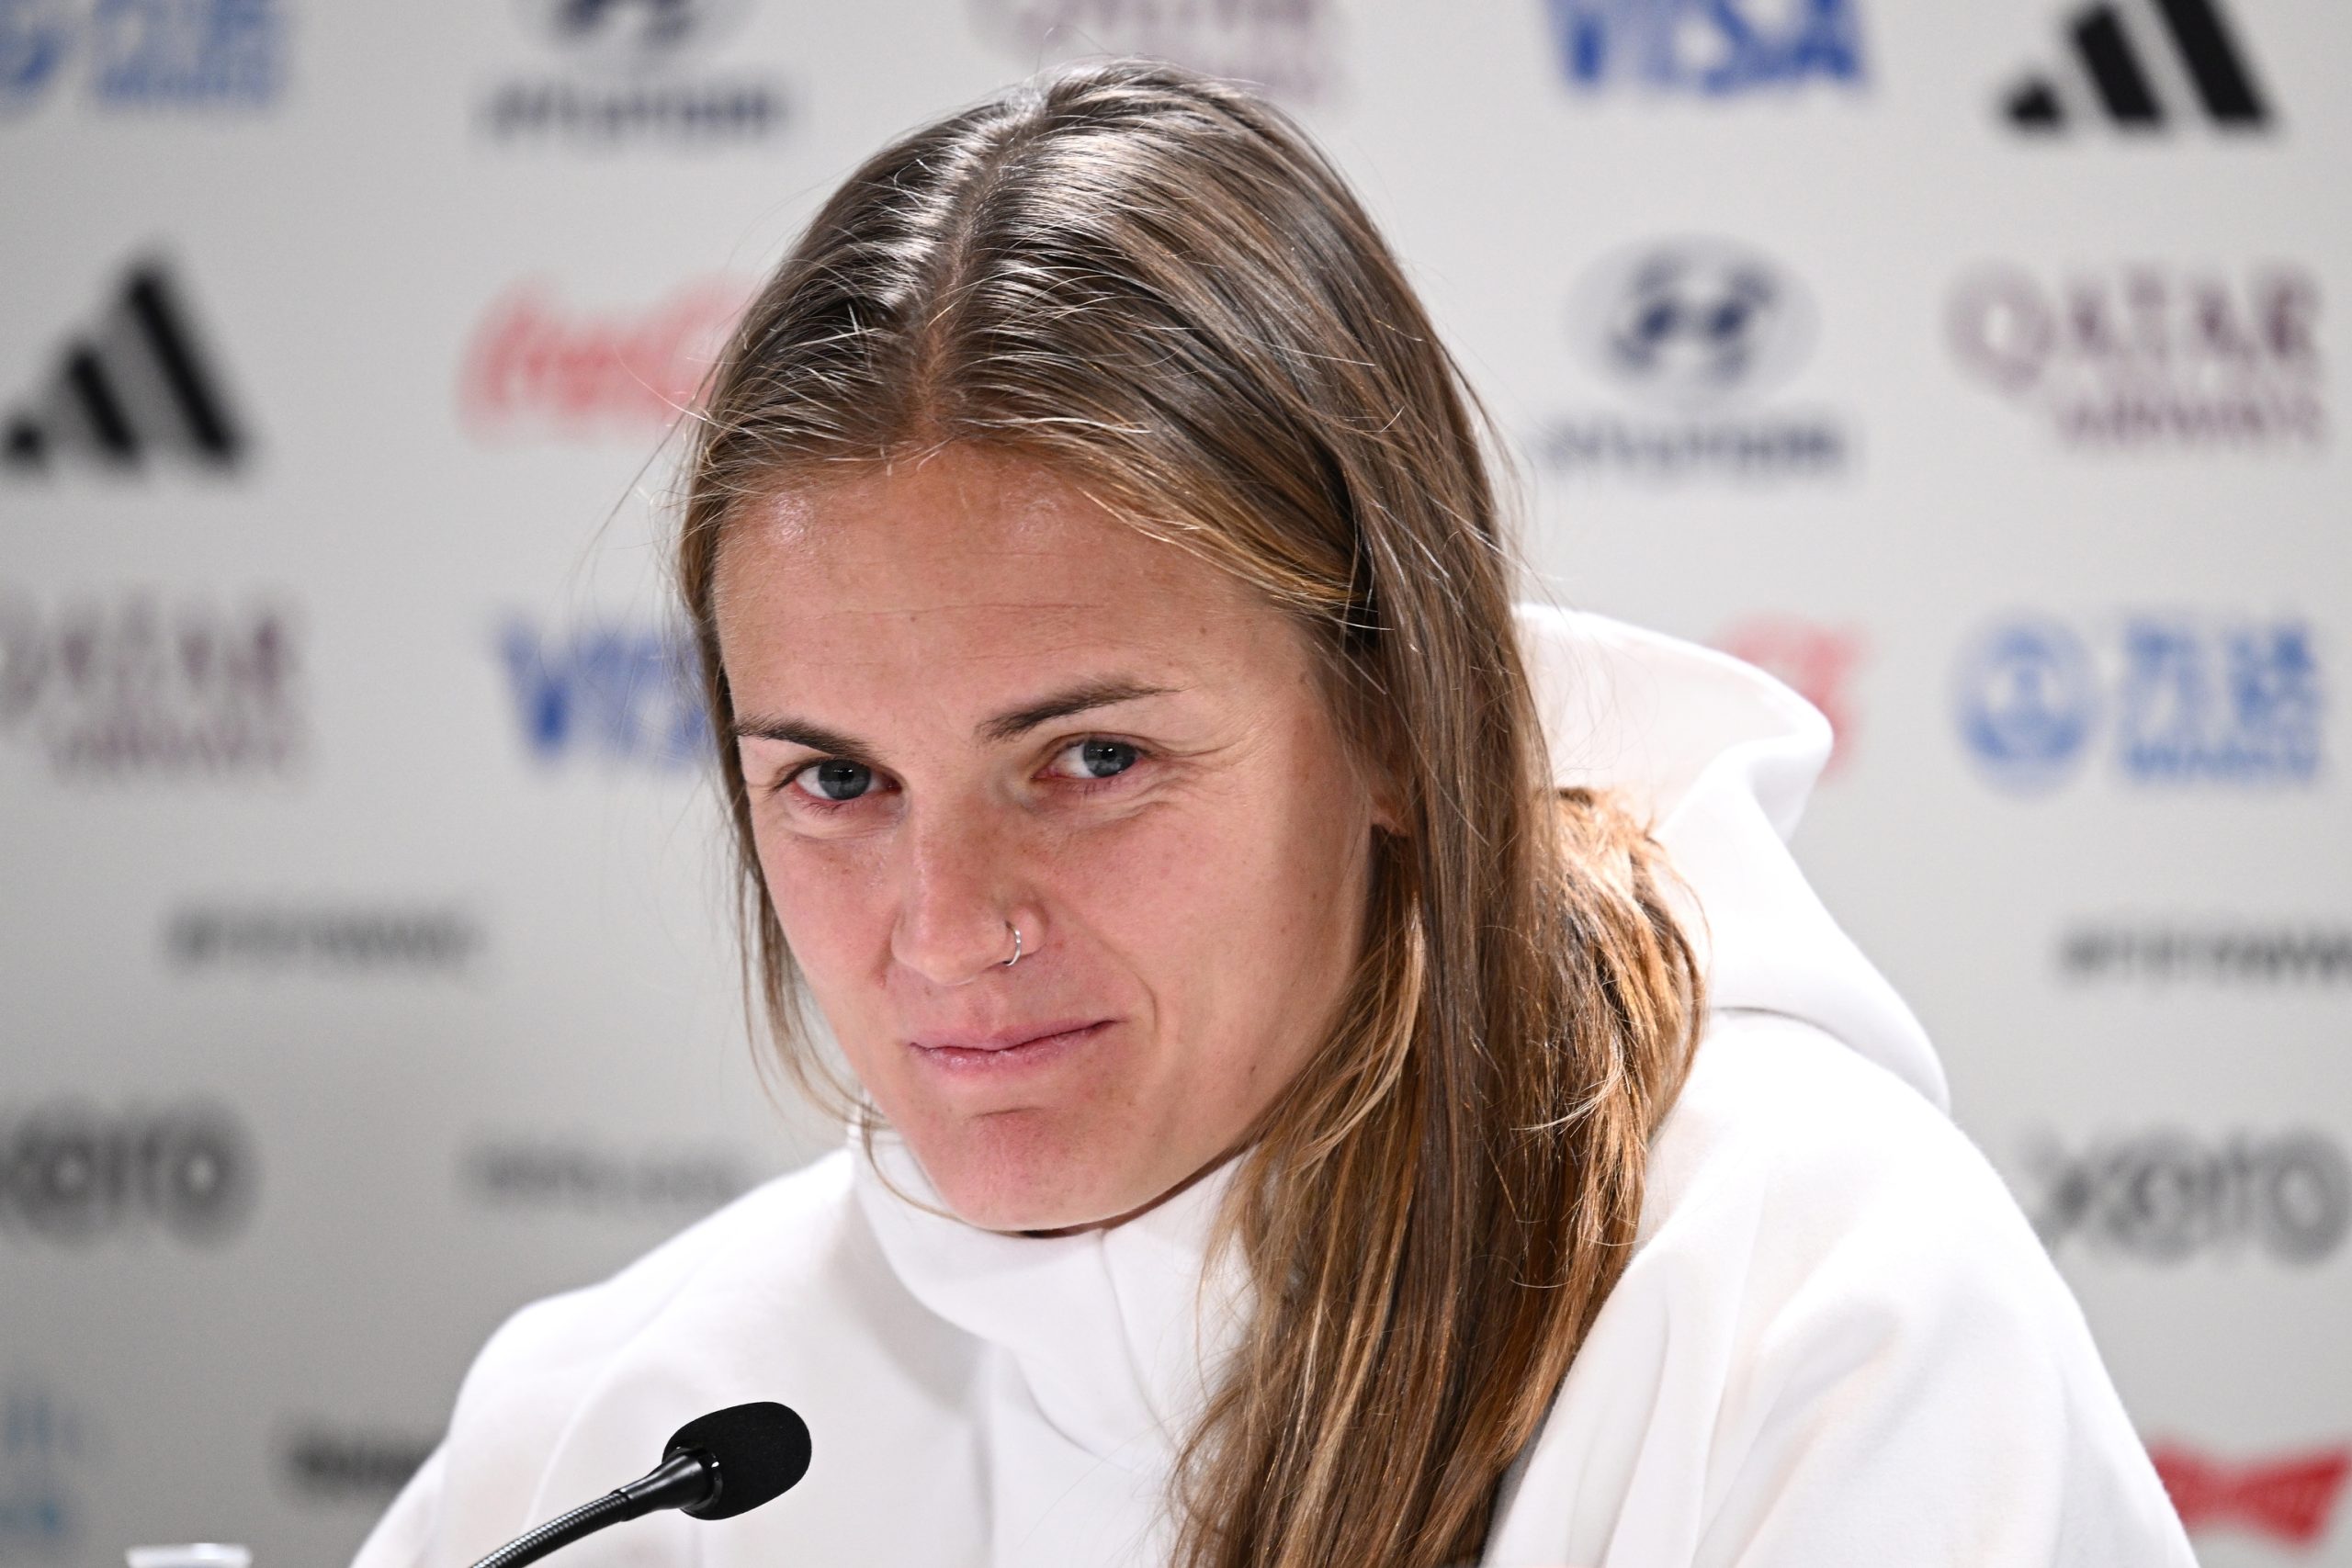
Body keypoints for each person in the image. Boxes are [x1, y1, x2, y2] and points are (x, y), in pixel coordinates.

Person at [355, 60, 2195, 1568]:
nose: (942, 923)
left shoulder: (1814, 1311)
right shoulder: (620, 1434)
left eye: (1087, 761)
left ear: (1400, 714)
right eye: (837, 779)